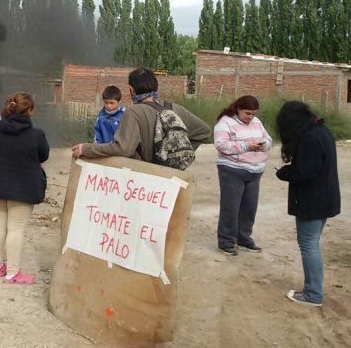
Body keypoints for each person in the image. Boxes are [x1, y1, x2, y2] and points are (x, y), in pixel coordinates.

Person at [0, 92, 49, 284]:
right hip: (23, 187)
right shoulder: (37, 134)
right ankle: (12, 273)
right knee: (15, 228)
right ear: (30, 111)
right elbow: (43, 156)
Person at [72, 67, 211, 164]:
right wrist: (173, 156)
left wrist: (86, 148)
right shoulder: (175, 109)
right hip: (168, 185)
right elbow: (204, 132)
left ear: (131, 89)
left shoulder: (133, 112)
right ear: (155, 86)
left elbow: (123, 148)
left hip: (143, 185)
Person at [275, 101, 340, 307]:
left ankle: (313, 294)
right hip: (324, 198)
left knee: (309, 245)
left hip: (313, 201)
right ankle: (314, 290)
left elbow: (305, 173)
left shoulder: (310, 138)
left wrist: (284, 172)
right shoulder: (322, 131)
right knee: (312, 243)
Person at [213, 95, 272, 256]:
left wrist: (263, 145)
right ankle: (226, 241)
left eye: (253, 113)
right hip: (232, 170)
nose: (250, 117)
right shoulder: (225, 122)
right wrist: (247, 146)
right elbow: (221, 145)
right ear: (238, 109)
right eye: (247, 113)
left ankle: (244, 238)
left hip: (255, 170)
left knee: (249, 208)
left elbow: (268, 139)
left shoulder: (257, 122)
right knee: (230, 207)